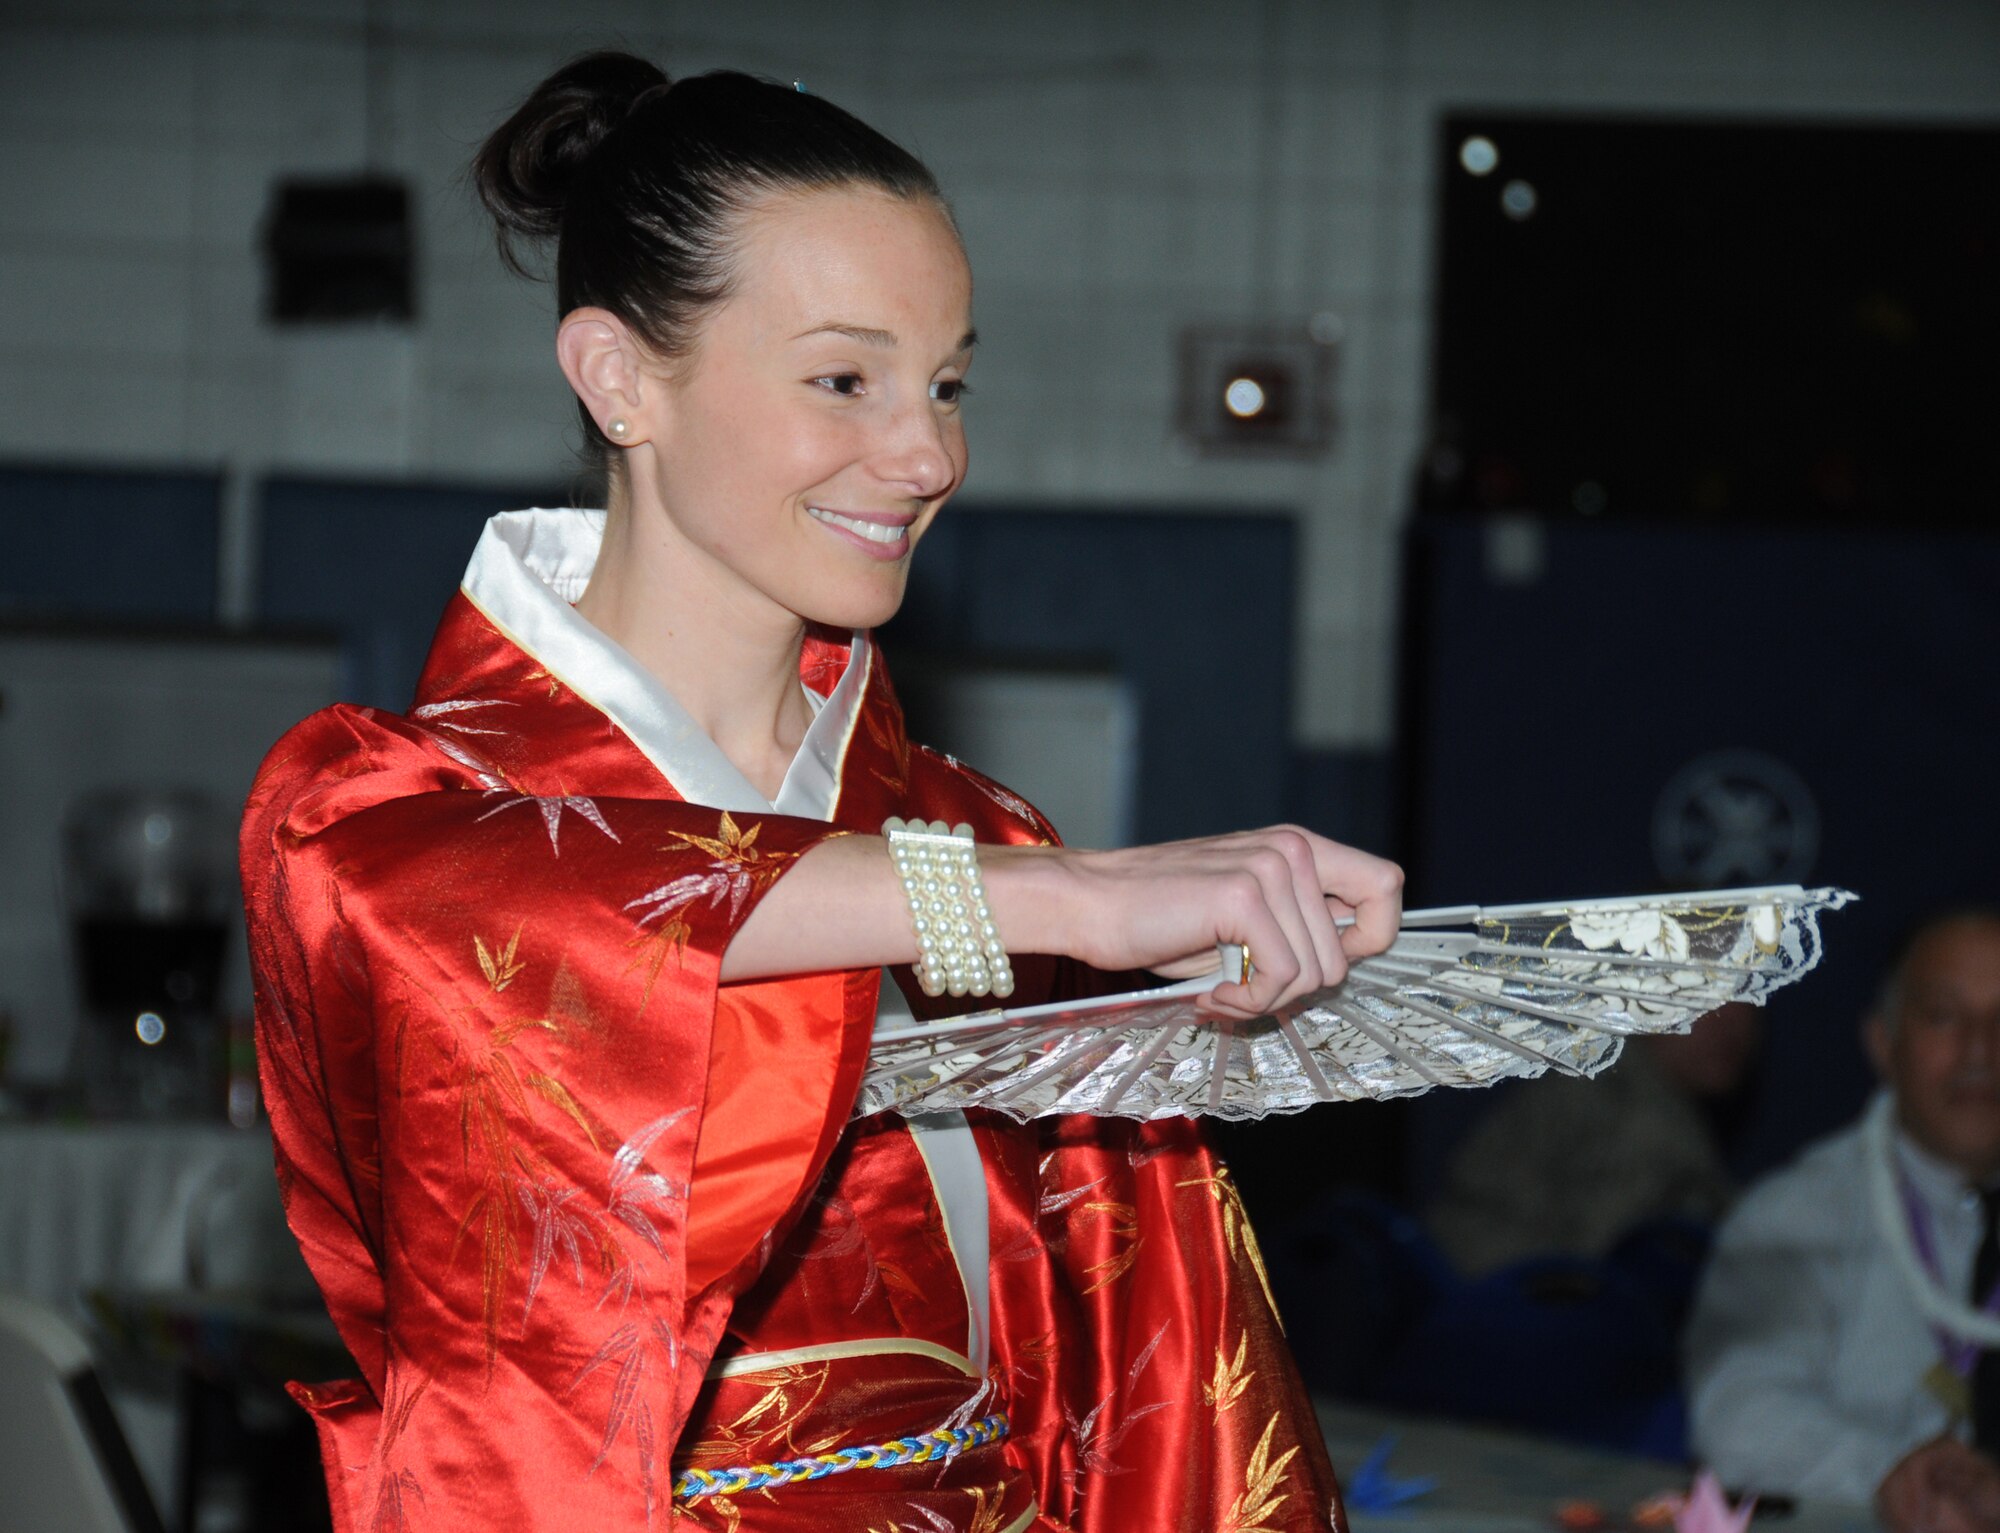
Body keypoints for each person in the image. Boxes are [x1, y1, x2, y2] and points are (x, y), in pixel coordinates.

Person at [238, 55, 1404, 1533]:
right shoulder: (377, 818)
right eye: (845, 379)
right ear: (616, 376)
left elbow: (1154, 1384)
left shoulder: (974, 838)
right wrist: (1060, 900)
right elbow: (520, 906)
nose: (928, 454)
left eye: (947, 382)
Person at [1685, 911, 2000, 1525]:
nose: (1981, 1051)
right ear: (1883, 1042)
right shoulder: (1795, 1217)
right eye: (1943, 1016)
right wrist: (1889, 1472)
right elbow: (1737, 1415)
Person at [1428, 1001, 1762, 1276]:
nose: (1729, 1022)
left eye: (1748, 1002)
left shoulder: (1628, 1087)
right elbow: (1603, 1286)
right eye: (1708, 1001)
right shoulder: (1631, 1119)